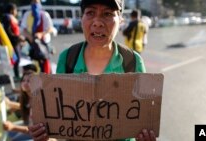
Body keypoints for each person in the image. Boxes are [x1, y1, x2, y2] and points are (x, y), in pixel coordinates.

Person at [28, 0, 155, 141]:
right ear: (81, 18)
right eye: (90, 13)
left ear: (120, 20)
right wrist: (45, 136)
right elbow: (60, 126)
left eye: (107, 14)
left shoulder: (133, 62)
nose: (97, 22)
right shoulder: (68, 58)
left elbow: (143, 119)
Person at [20, 0, 55, 73]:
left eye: (36, 2)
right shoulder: (27, 14)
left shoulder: (45, 14)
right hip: (31, 43)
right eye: (33, 2)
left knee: (45, 62)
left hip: (43, 43)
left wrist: (41, 34)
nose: (35, 4)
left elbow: (50, 28)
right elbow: (23, 29)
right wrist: (31, 38)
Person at [3, 72, 34, 141]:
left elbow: (33, 130)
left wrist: (13, 127)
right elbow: (23, 106)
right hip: (29, 127)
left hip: (38, 134)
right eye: (23, 80)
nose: (25, 83)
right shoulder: (26, 97)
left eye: (29, 81)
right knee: (9, 132)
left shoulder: (38, 101)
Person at [2, 3, 25, 79]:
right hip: (12, 42)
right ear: (12, 10)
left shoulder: (12, 18)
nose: (16, 12)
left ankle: (16, 73)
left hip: (16, 41)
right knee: (16, 58)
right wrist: (18, 37)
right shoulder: (7, 18)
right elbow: (8, 31)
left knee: (17, 58)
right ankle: (16, 74)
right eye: (15, 10)